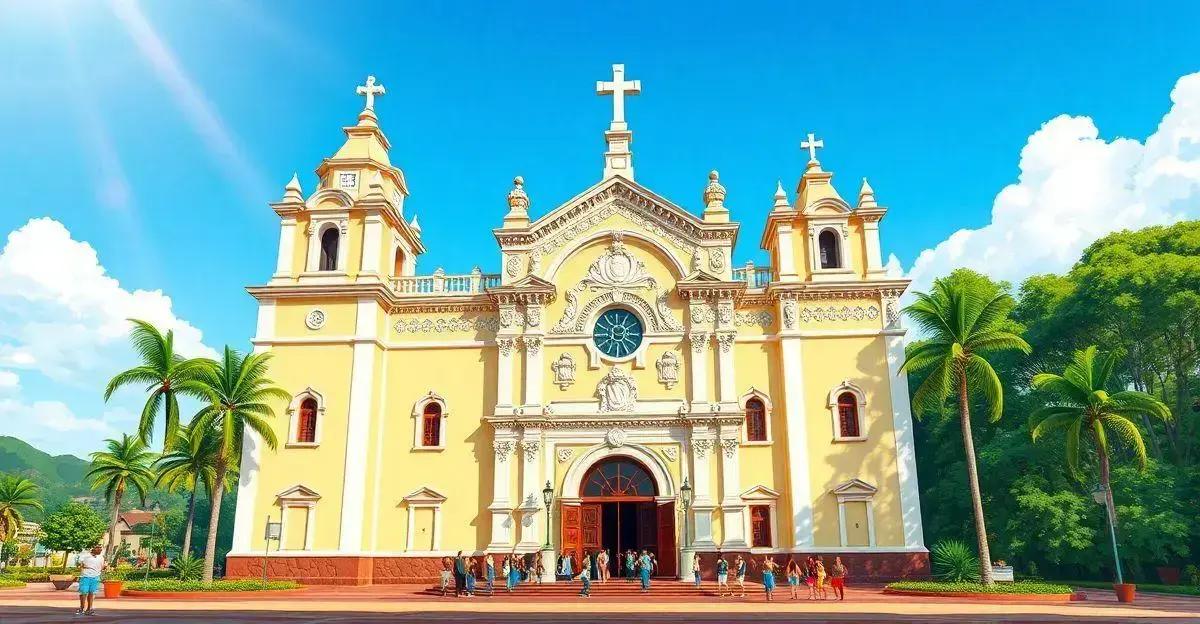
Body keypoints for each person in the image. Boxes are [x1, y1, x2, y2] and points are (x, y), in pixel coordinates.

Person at [76, 546, 104, 616]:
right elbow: (79, 564)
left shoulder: (101, 557)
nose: (100, 549)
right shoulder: (85, 555)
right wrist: (84, 569)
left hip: (95, 577)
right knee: (83, 592)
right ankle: (82, 608)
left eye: (100, 548)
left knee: (92, 593)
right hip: (85, 576)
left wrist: (98, 571)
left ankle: (89, 609)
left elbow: (102, 566)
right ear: (93, 548)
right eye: (98, 547)